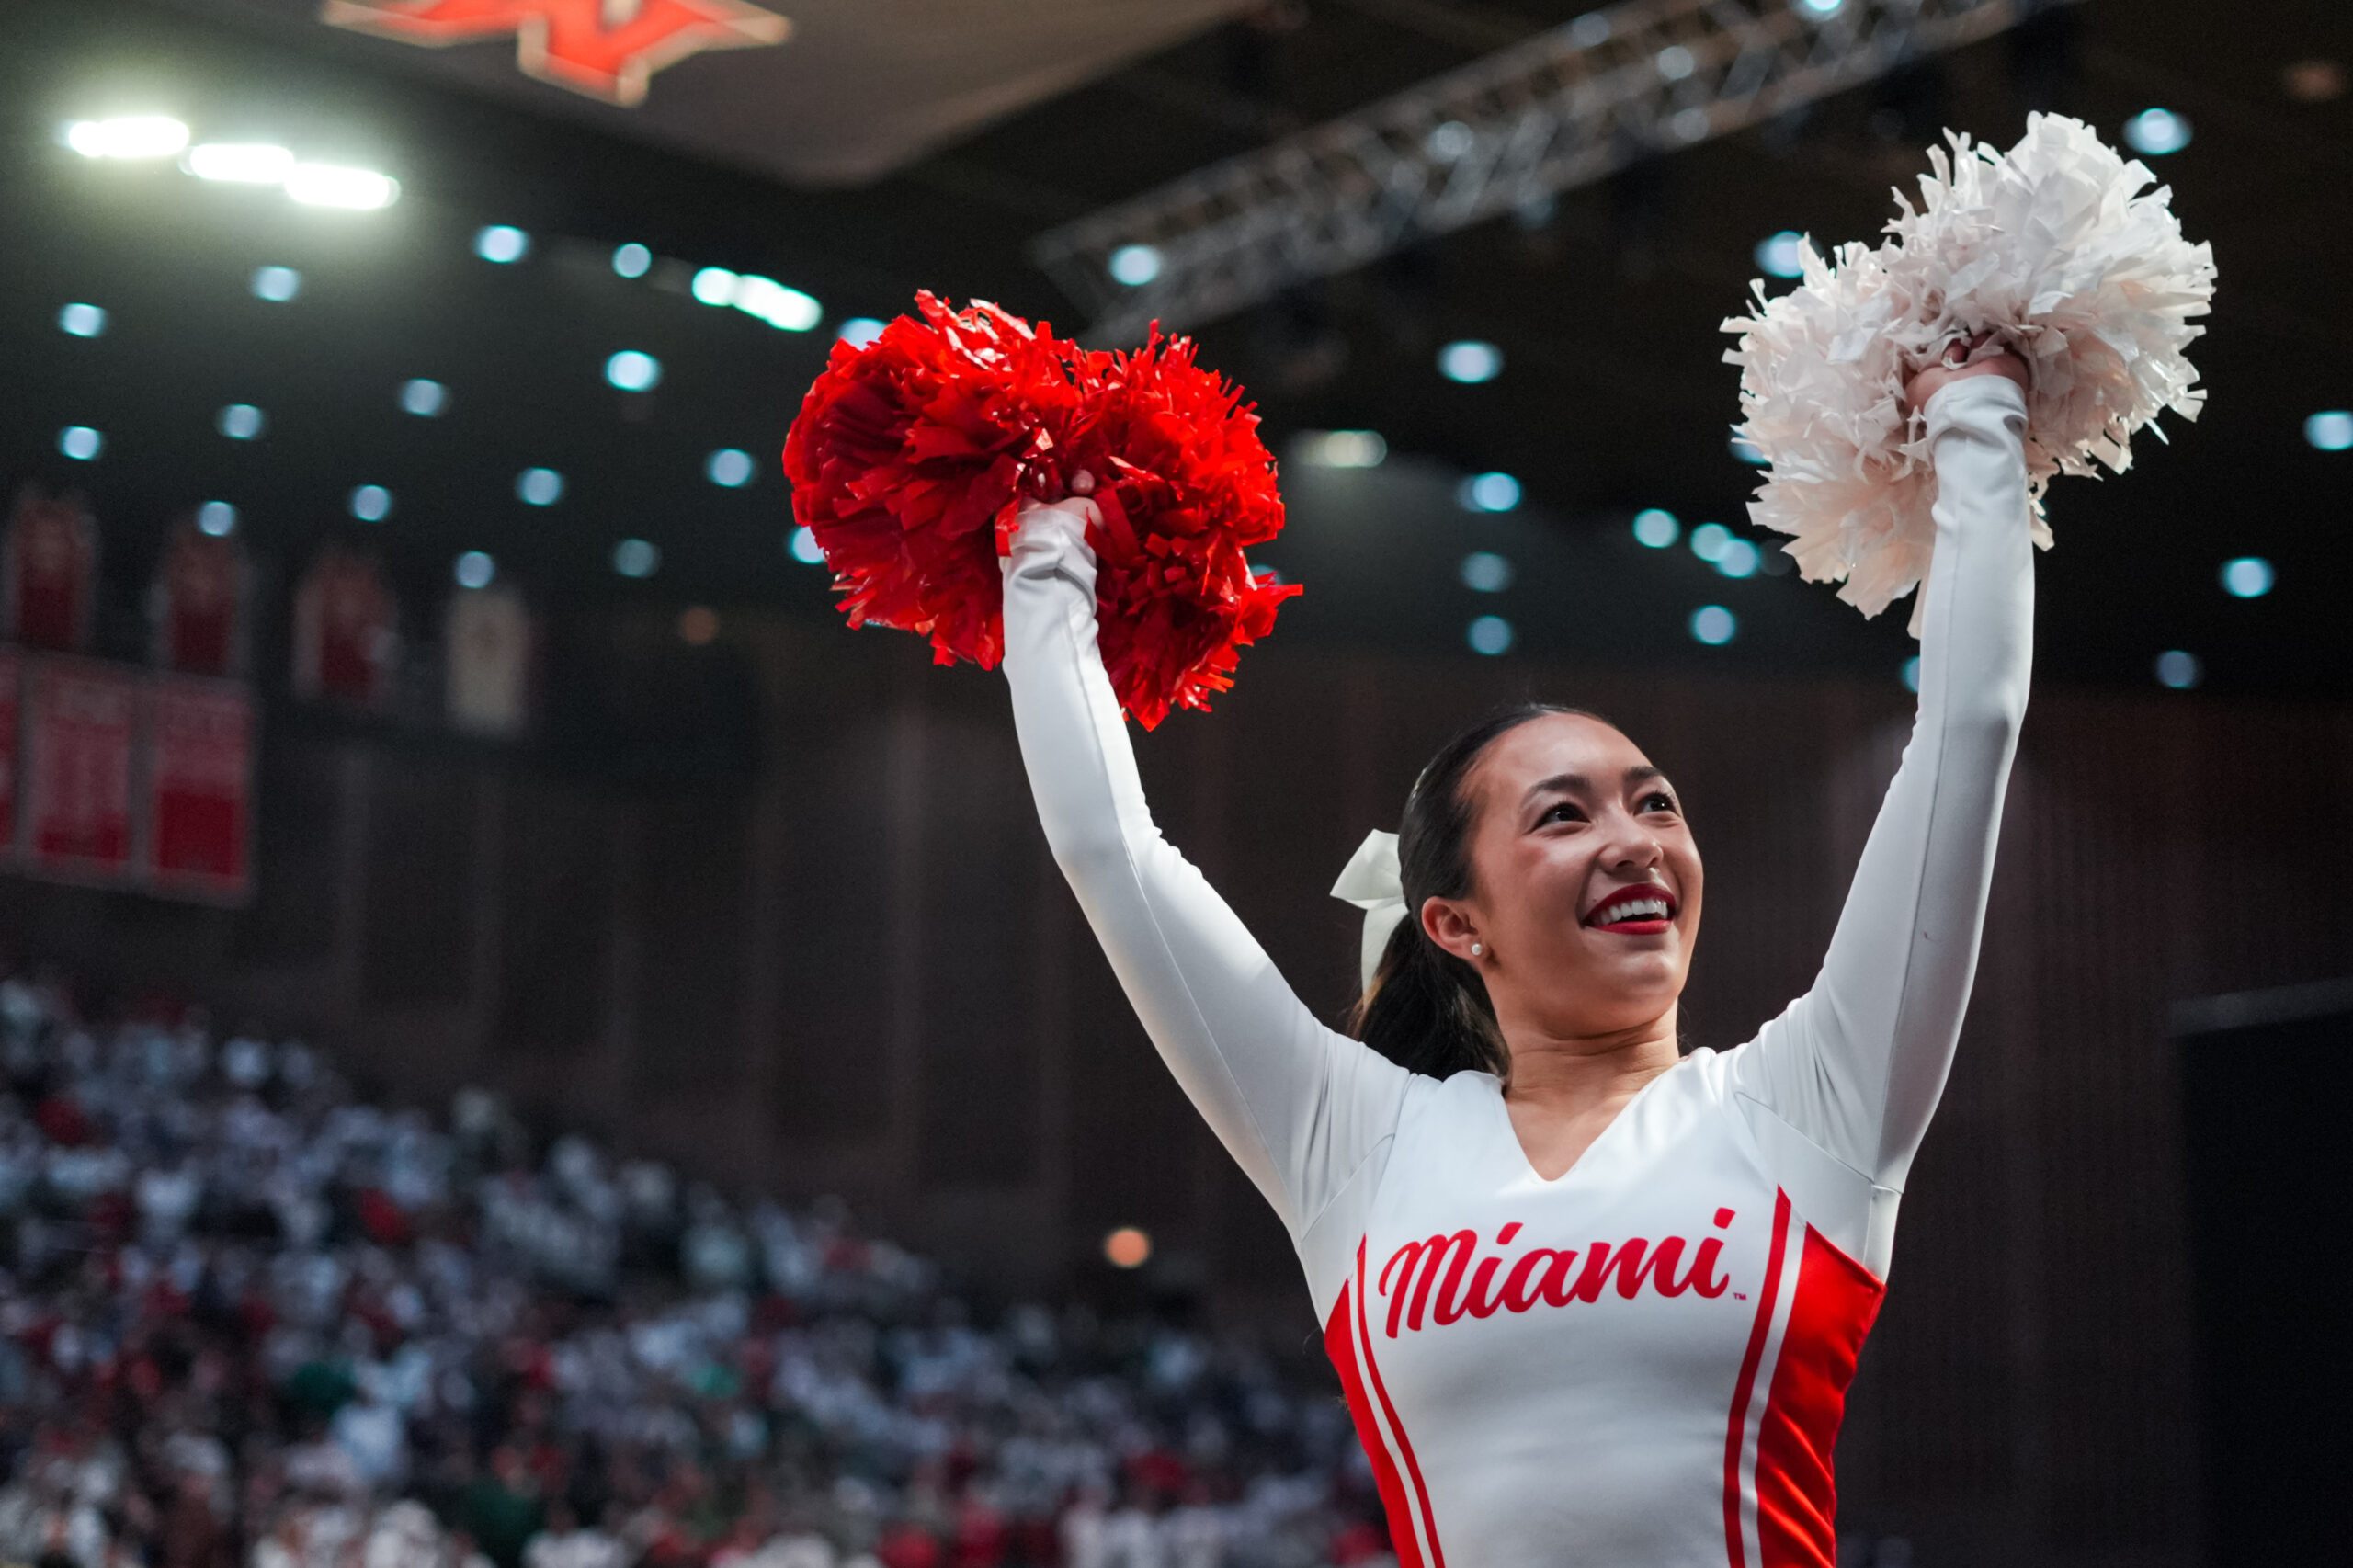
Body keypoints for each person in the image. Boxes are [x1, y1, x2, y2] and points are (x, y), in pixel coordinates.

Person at [997, 339, 2037, 1567]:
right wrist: (1046, 556)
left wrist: (1976, 413)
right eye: (1564, 814)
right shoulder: (1357, 1145)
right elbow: (1113, 854)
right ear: (1454, 919)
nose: (1636, 842)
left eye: (1655, 804)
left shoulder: (1811, 1102)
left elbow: (1964, 733)